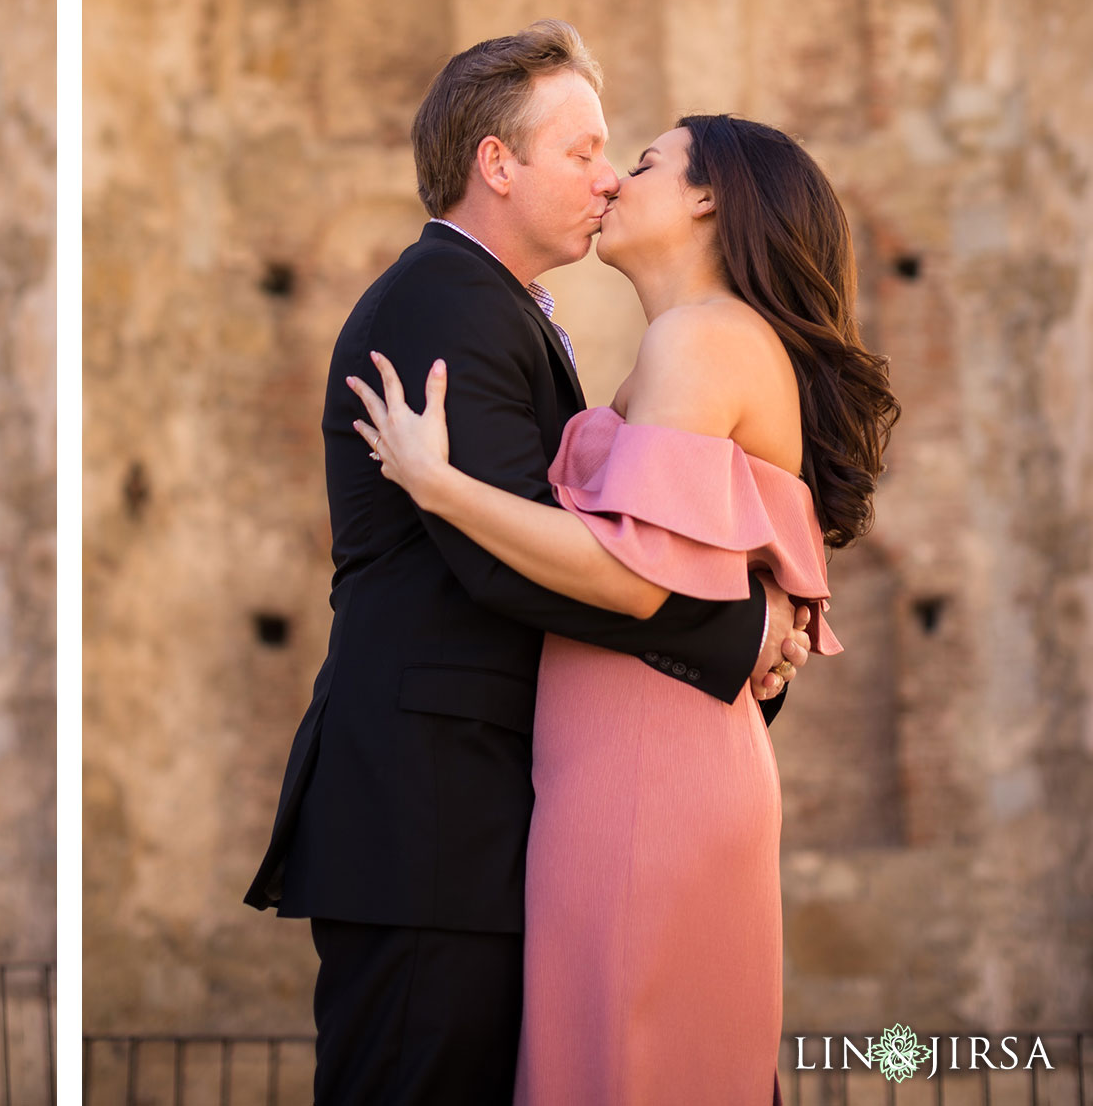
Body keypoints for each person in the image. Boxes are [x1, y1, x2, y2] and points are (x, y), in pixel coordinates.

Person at [244, 21, 819, 1105]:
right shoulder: (440, 300)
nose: (605, 180)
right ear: (493, 165)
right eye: (583, 150)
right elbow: (501, 561)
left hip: (485, 809)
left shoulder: (515, 312)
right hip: (428, 807)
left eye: (623, 157)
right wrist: (734, 633)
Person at [351, 110, 896, 1104]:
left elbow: (634, 574)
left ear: (706, 199)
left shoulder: (701, 338)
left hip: (646, 771)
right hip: (628, 759)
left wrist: (438, 484)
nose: (611, 181)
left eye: (641, 162)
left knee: (620, 1066)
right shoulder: (686, 344)